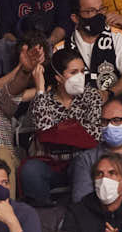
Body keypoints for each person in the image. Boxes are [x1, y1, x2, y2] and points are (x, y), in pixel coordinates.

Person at [20, 48, 104, 208]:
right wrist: (40, 89)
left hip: (81, 163)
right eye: (73, 72)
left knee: (84, 162)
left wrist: (57, 132)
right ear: (58, 77)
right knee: (30, 169)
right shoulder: (44, 99)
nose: (80, 77)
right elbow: (44, 129)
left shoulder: (91, 96)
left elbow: (92, 134)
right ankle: (43, 218)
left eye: (82, 71)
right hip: (49, 164)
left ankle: (80, 215)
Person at [53, 0, 122, 126]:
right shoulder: (61, 49)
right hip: (80, 109)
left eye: (101, 10)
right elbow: (59, 93)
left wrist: (108, 94)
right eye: (90, 11)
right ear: (75, 18)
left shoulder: (118, 37)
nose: (98, 15)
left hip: (114, 99)